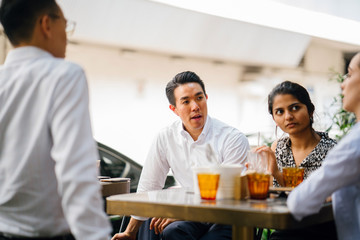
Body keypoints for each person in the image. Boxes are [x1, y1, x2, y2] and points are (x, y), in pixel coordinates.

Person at [0, 1, 111, 239]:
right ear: (46, 24)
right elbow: (76, 170)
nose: (67, 36)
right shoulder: (64, 75)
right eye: (65, 23)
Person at [112, 71, 249, 240]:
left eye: (199, 98)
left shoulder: (232, 138)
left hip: (228, 214)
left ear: (206, 98)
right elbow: (149, 187)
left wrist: (185, 212)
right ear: (174, 109)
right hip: (193, 214)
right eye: (186, 101)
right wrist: (129, 232)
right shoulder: (166, 137)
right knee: (165, 228)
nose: (195, 106)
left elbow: (229, 194)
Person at [287, 53, 360, 240]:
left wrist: (328, 190)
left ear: (310, 111)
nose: (342, 84)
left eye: (350, 75)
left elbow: (298, 202)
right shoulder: (278, 147)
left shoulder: (352, 144)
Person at [254, 81, 337, 240]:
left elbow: (323, 201)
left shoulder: (332, 150)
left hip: (320, 230)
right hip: (285, 228)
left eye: (295, 108)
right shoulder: (277, 147)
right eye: (280, 111)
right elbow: (273, 198)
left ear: (310, 110)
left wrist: (277, 173)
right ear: (274, 118)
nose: (288, 116)